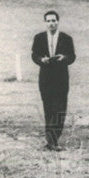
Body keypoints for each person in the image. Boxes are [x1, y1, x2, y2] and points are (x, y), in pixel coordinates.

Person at [31, 10, 76, 151]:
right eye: (48, 21)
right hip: (45, 79)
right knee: (48, 109)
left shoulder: (66, 38)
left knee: (59, 109)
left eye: (53, 21)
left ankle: (53, 139)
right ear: (45, 23)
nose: (51, 23)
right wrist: (41, 60)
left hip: (61, 79)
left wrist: (64, 58)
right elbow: (34, 55)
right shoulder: (38, 38)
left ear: (58, 22)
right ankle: (50, 139)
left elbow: (73, 56)